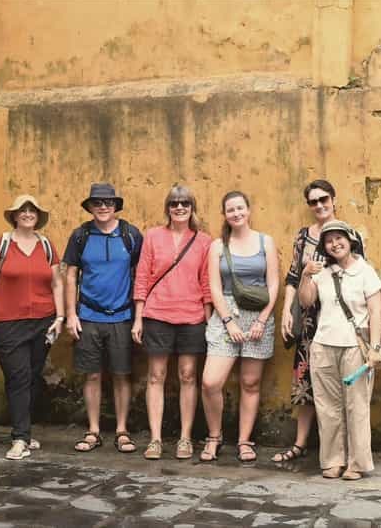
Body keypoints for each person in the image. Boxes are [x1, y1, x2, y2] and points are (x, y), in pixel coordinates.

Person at [0, 194, 64, 460]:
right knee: (19, 377)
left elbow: (56, 283)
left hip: (44, 321)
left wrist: (60, 317)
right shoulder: (2, 243)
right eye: (23, 210)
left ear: (37, 217)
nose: (28, 213)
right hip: (6, 322)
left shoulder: (46, 245)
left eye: (32, 210)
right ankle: (20, 438)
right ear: (15, 216)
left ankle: (25, 432)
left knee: (31, 378)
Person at [274, 180, 365, 463]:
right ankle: (301, 444)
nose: (319, 205)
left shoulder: (347, 234)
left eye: (323, 199)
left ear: (334, 198)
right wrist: (287, 310)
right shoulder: (304, 237)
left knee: (343, 386)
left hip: (339, 319)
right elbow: (292, 277)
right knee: (305, 382)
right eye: (313, 202)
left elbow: (359, 273)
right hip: (309, 320)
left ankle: (344, 450)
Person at [132, 185, 213, 460]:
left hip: (191, 316)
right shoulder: (153, 236)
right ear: (167, 208)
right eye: (174, 203)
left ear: (192, 208)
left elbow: (206, 283)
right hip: (157, 314)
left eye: (185, 203)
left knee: (188, 376)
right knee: (156, 376)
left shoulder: (203, 241)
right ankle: (155, 439)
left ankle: (185, 438)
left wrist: (210, 320)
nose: (179, 208)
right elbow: (142, 276)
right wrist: (138, 318)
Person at [298, 220, 381, 479]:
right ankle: (333, 460)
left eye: (339, 238)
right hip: (323, 345)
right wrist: (305, 274)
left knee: (357, 406)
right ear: (324, 246)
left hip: (355, 348)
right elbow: (306, 301)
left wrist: (375, 348)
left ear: (350, 240)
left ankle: (357, 463)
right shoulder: (322, 273)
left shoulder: (365, 271)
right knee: (327, 407)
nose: (335, 243)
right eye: (329, 240)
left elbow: (376, 311)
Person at [63, 183, 143, 455]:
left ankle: (122, 430)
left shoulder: (130, 235)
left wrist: (138, 317)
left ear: (116, 205)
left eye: (108, 202)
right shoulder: (80, 235)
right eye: (97, 202)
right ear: (90, 207)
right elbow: (71, 275)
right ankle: (93, 430)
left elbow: (141, 275)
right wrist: (71, 314)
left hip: (122, 316)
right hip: (88, 316)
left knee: (122, 375)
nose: (103, 207)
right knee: (92, 375)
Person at [200, 191, 279, 463]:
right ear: (224, 214)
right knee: (210, 381)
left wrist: (261, 320)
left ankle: (245, 440)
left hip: (258, 316)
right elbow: (214, 288)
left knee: (250, 382)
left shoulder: (265, 242)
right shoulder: (217, 246)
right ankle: (214, 436)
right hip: (226, 316)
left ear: (248, 209)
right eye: (230, 210)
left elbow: (273, 285)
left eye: (240, 208)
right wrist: (228, 320)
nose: (236, 213)